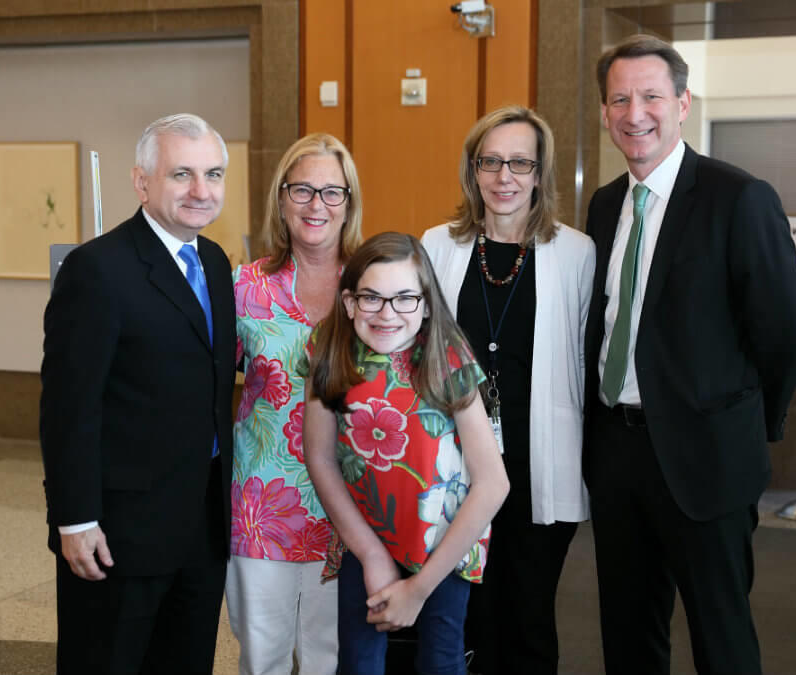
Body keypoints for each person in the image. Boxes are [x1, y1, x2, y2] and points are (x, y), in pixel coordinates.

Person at [584, 34, 796, 675]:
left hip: (709, 457)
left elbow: (785, 333)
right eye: (620, 99)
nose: (636, 113)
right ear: (604, 113)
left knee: (722, 637)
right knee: (628, 634)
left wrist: (748, 425)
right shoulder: (604, 206)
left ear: (682, 104)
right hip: (617, 453)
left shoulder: (739, 197)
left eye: (652, 96)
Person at [39, 113, 236, 674]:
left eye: (213, 174)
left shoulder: (216, 263)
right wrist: (74, 519)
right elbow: (68, 407)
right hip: (119, 533)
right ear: (142, 181)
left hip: (201, 524)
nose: (201, 191)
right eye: (182, 174)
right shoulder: (97, 270)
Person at [421, 105, 595, 675]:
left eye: (520, 162)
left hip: (539, 462)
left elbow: (583, 359)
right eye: (490, 161)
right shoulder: (437, 246)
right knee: (466, 618)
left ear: (541, 173)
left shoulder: (576, 252)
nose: (504, 177)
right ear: (472, 171)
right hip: (459, 466)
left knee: (529, 619)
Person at [301, 232, 510, 675]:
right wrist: (373, 556)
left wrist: (419, 588)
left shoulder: (447, 358)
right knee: (359, 663)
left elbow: (493, 483)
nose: (387, 313)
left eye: (404, 299)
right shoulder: (328, 350)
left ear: (427, 304)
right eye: (371, 298)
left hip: (444, 545)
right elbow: (318, 458)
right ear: (348, 302)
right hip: (364, 538)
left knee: (442, 661)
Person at [226, 132, 363, 675]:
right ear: (280, 199)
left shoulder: (372, 286)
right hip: (261, 507)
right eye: (301, 189)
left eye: (332, 192)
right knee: (264, 658)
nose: (316, 205)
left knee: (336, 658)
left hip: (351, 508)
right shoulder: (244, 288)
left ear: (349, 202)